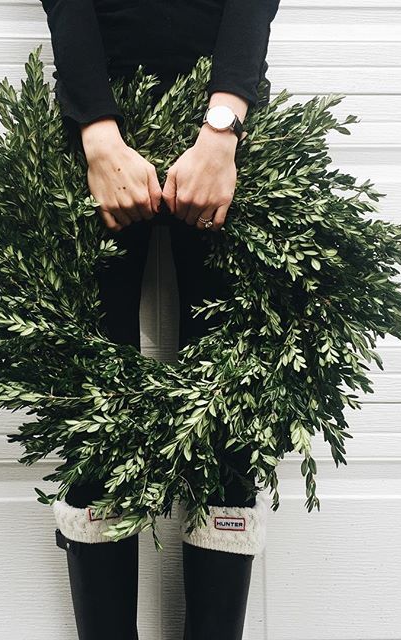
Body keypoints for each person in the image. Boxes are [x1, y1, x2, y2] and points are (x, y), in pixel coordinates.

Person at [38, 1, 281, 638]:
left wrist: (223, 127)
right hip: (98, 119)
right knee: (94, 405)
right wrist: (96, 130)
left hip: (228, 119)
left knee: (232, 404)